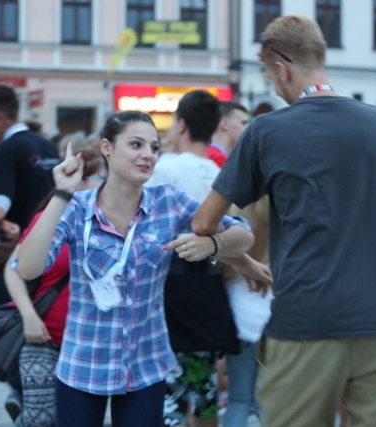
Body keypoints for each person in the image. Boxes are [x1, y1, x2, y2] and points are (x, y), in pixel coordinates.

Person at [191, 16, 376, 427]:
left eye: (270, 77)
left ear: (282, 68)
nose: (274, 87)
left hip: (305, 322)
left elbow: (204, 223)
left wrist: (248, 264)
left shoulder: (267, 132)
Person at [16, 111, 254, 427]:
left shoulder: (168, 201)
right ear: (107, 148)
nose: (147, 155)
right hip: (83, 363)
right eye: (136, 144)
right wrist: (62, 193)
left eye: (154, 148)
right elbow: (28, 269)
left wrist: (214, 245)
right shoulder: (78, 207)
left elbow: (242, 234)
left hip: (145, 366)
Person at [0, 83, 60, 420]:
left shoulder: (7, 150)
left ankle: (28, 395)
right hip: (53, 260)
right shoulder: (45, 144)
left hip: (17, 259)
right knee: (34, 333)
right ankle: (32, 396)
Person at [148, 89, 242, 427]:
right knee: (203, 390)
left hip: (168, 289)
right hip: (208, 286)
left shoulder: (165, 169)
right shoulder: (221, 174)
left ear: (181, 125)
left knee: (169, 392)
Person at [0, 149, 105, 427]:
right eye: (100, 179)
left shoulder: (115, 223)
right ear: (79, 180)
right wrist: (29, 316)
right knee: (40, 420)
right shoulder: (50, 218)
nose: (107, 187)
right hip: (45, 339)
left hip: (92, 346)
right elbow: (14, 268)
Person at [206, 101, 249, 168]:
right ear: (224, 124)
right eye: (243, 123)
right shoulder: (217, 159)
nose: (247, 128)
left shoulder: (205, 154)